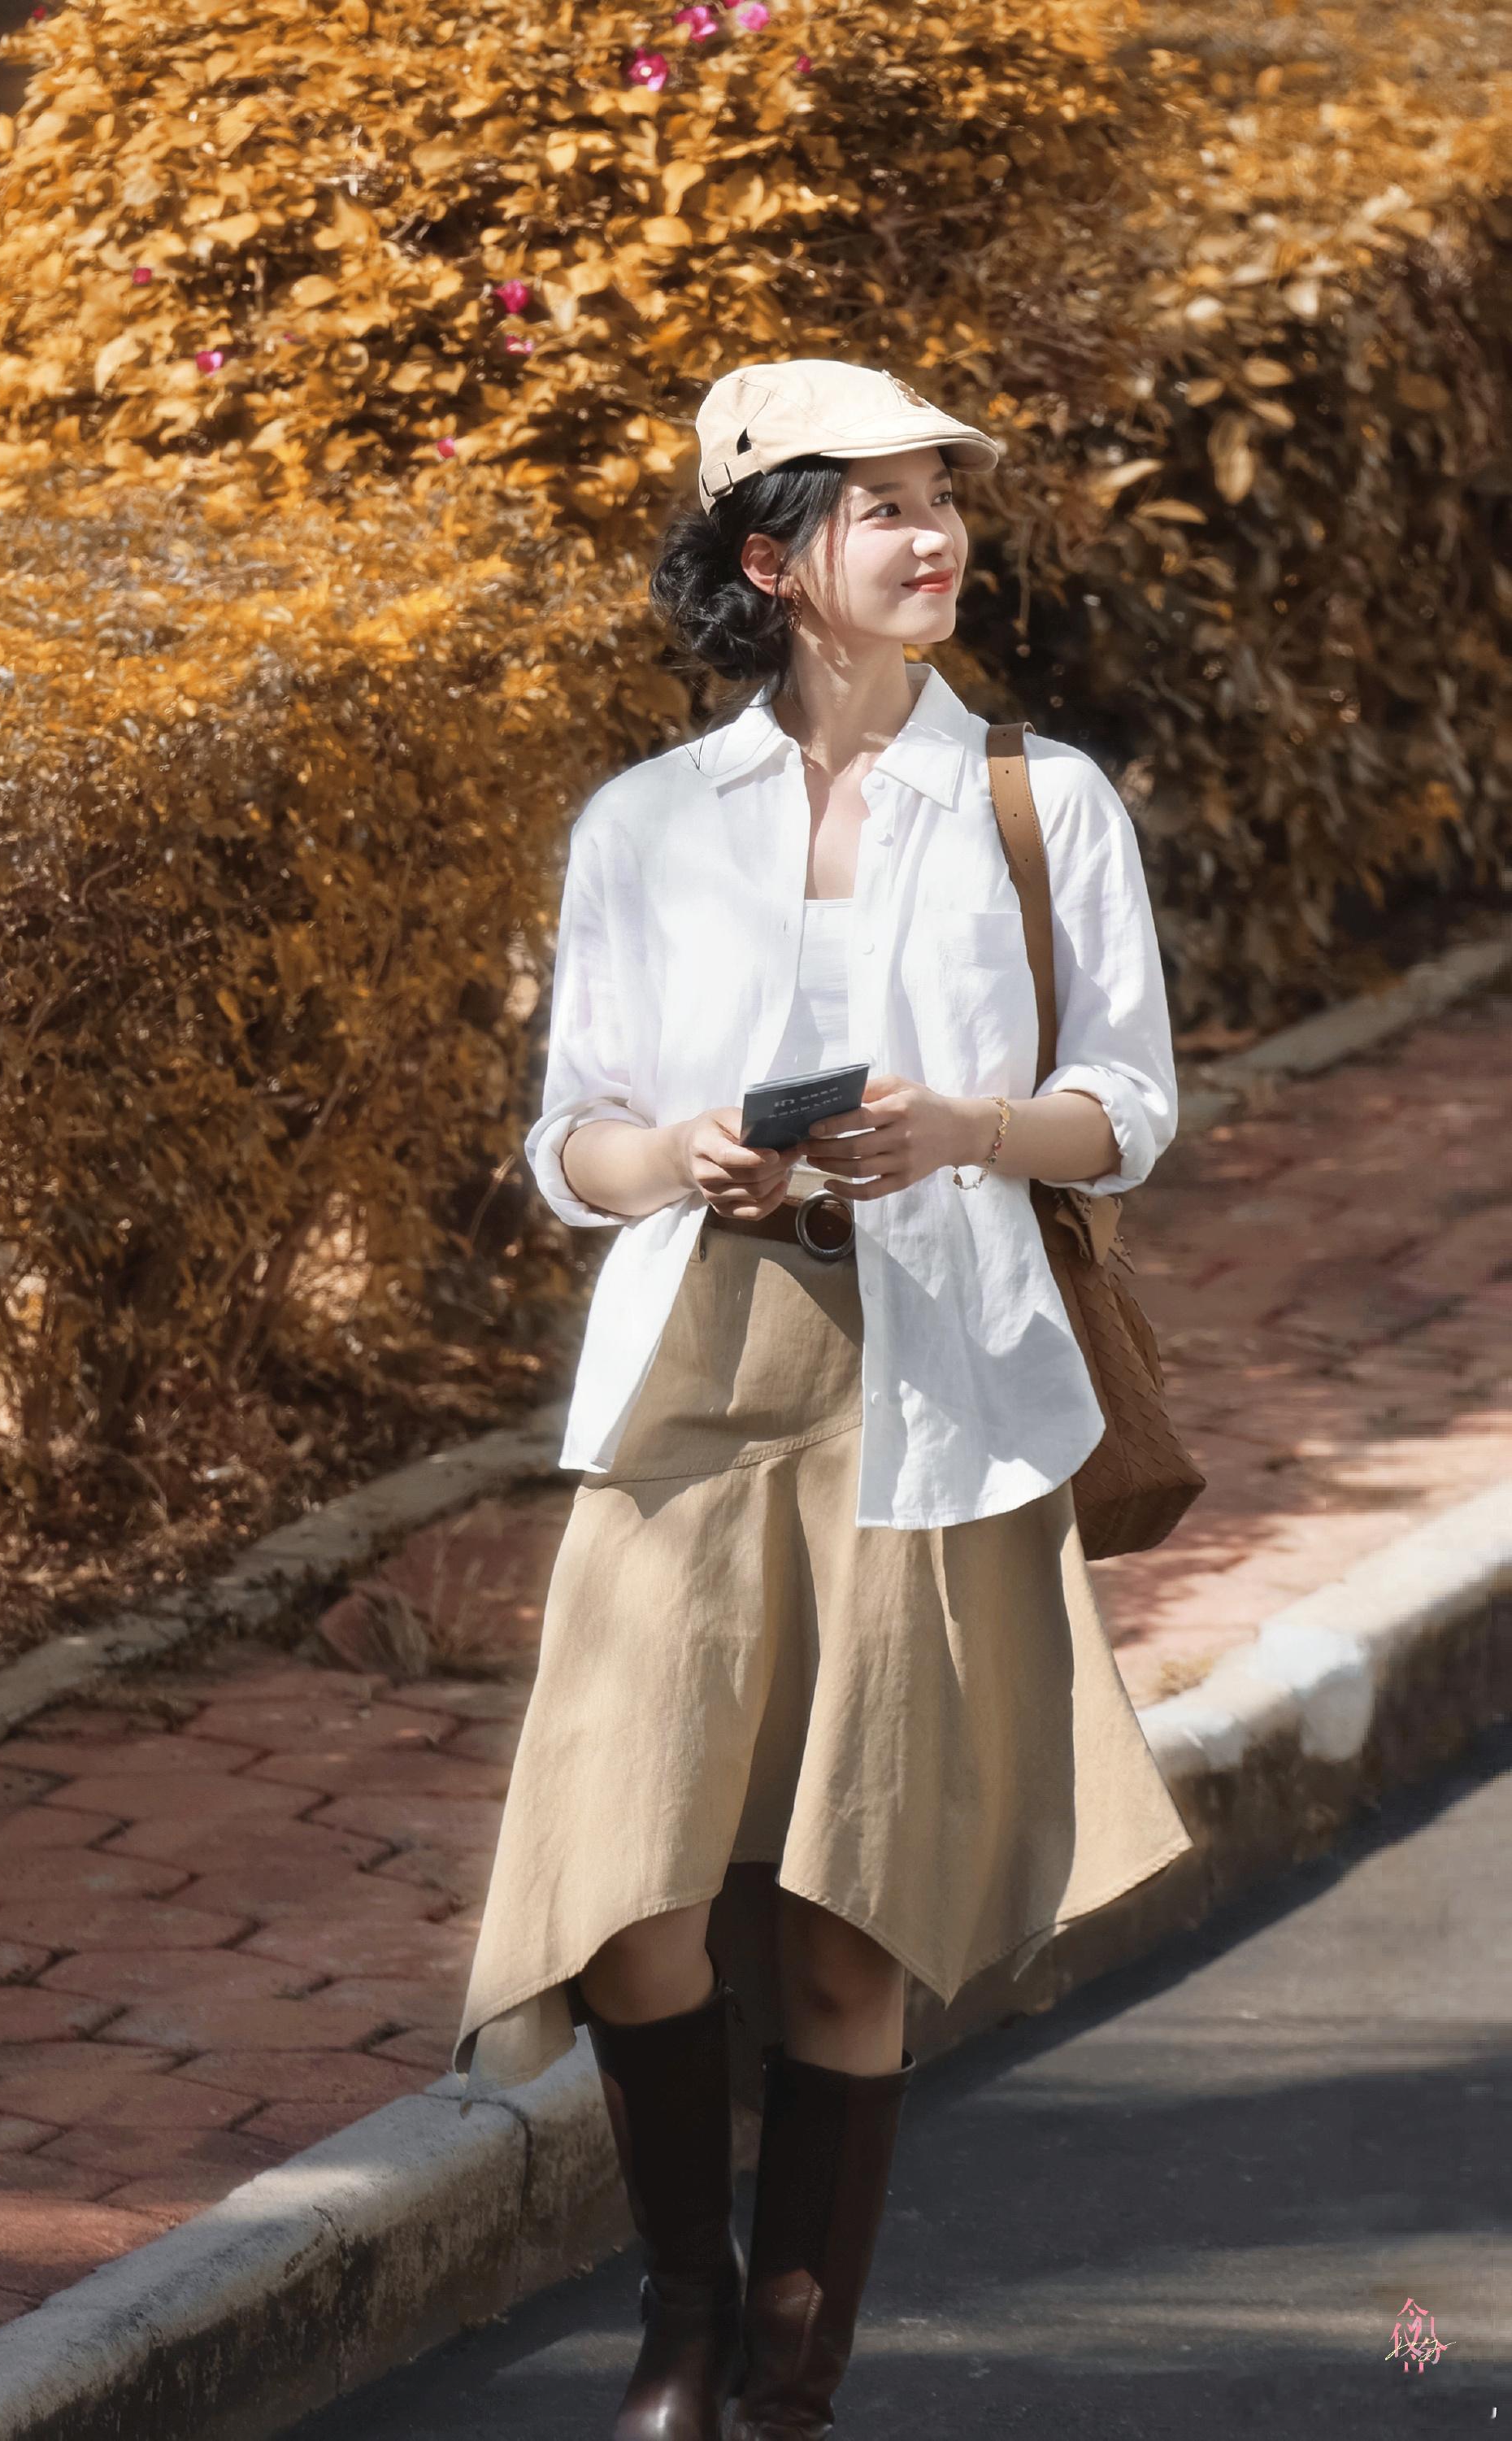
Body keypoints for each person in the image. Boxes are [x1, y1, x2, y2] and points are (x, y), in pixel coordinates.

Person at [451, 358, 1196, 2440]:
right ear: (772, 559)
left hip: (935, 1376)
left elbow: (1127, 1107)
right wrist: (680, 1154)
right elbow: (569, 1141)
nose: (933, 533)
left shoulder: (1042, 798)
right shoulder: (643, 823)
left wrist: (964, 1127)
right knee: (630, 1892)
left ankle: (778, 2383)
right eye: (880, 504)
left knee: (852, 1917)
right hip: (702, 1364)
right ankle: (682, 2313)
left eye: (941, 495)